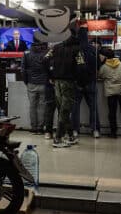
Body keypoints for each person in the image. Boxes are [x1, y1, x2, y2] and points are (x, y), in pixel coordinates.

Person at [46, 19, 82, 148]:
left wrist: (51, 76)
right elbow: (80, 66)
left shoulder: (55, 48)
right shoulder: (77, 49)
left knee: (63, 109)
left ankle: (71, 136)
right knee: (65, 110)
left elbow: (46, 60)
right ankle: (58, 138)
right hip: (69, 83)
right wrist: (78, 79)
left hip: (57, 83)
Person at [71, 21, 101, 138]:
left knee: (75, 108)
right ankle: (95, 130)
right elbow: (98, 65)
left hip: (77, 82)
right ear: (87, 36)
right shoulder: (93, 49)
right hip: (90, 82)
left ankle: (75, 130)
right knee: (93, 107)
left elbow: (71, 66)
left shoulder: (74, 49)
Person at [98, 49, 121, 138]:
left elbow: (100, 76)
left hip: (111, 92)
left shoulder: (104, 67)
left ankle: (113, 132)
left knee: (112, 112)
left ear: (105, 57)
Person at [21, 38, 49, 134]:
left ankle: (34, 127)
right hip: (43, 83)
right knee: (42, 106)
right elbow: (49, 68)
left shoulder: (26, 53)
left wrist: (26, 81)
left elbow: (23, 69)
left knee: (32, 106)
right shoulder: (46, 53)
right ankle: (41, 128)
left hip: (31, 83)